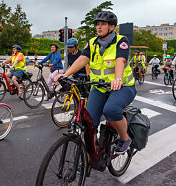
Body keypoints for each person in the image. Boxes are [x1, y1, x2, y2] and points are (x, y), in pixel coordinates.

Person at [56, 11, 136, 154]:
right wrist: (65, 74)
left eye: (103, 24)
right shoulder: (92, 42)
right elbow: (82, 59)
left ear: (111, 27)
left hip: (122, 87)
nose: (99, 27)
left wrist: (118, 79)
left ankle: (125, 138)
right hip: (99, 88)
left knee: (111, 110)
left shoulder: (121, 41)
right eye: (97, 24)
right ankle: (88, 157)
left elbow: (120, 61)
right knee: (89, 122)